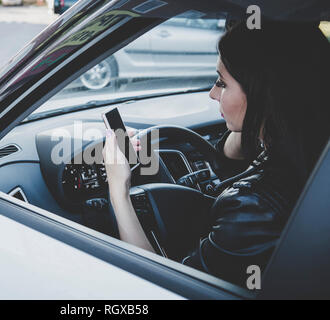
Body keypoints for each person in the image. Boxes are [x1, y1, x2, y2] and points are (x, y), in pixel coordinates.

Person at [102, 20, 330, 287]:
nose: (212, 94)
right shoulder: (309, 147)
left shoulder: (253, 209)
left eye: (222, 83)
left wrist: (119, 188)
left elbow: (165, 290)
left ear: (264, 94)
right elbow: (233, 152)